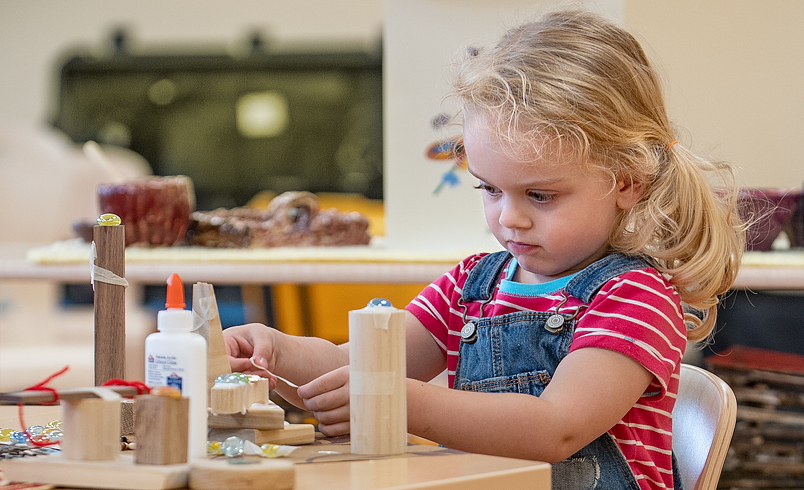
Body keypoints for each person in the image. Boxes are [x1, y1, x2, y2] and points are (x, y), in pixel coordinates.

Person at [224, 9, 744, 489]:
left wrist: (400, 401)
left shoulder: (634, 298)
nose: (509, 217)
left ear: (627, 180)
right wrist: (275, 351)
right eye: (489, 188)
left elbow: (554, 429)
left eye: (540, 195)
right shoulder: (472, 285)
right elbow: (356, 365)